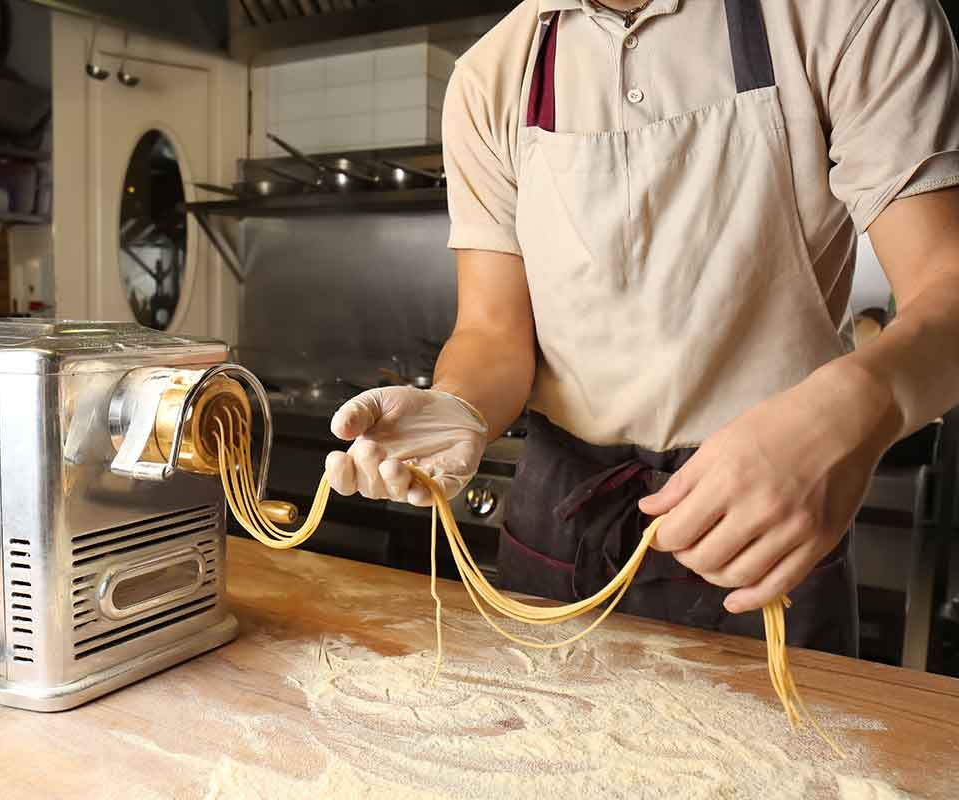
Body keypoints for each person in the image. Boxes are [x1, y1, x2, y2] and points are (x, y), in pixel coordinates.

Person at [324, 0, 959, 656]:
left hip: (763, 511)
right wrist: (458, 404)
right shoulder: (491, 76)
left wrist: (852, 409)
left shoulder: (851, 15)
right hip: (560, 514)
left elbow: (947, 292)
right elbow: (491, 331)